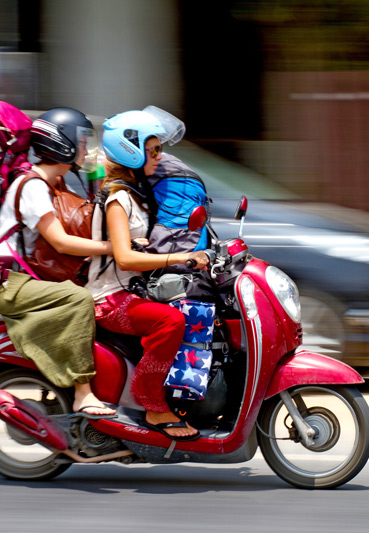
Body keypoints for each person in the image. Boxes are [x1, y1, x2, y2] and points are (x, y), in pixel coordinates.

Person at [0, 107, 117, 418]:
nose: (86, 148)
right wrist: (113, 248)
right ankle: (83, 393)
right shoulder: (32, 186)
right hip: (8, 282)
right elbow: (61, 241)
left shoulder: (60, 184)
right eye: (82, 141)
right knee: (78, 298)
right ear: (62, 144)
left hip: (29, 279)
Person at [86, 107, 210, 440]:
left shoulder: (137, 195)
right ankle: (152, 405)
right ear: (132, 150)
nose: (159, 156)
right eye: (152, 149)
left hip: (126, 291)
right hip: (108, 298)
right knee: (170, 322)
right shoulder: (118, 198)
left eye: (159, 148)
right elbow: (124, 258)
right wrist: (182, 257)